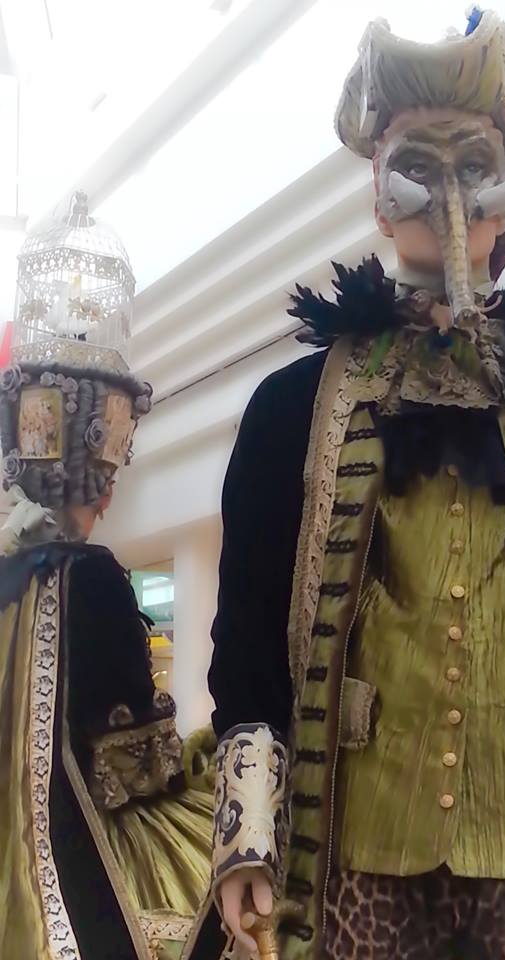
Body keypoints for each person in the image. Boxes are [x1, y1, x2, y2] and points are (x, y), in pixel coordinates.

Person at [190, 8, 505, 960]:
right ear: (376, 196)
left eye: (473, 164)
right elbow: (249, 632)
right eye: (414, 164)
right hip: (356, 849)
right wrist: (247, 837)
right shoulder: (291, 409)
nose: (446, 190)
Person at [0, 303, 216, 959]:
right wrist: (199, 754)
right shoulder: (91, 577)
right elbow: (135, 765)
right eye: (110, 477)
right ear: (97, 483)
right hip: (71, 846)